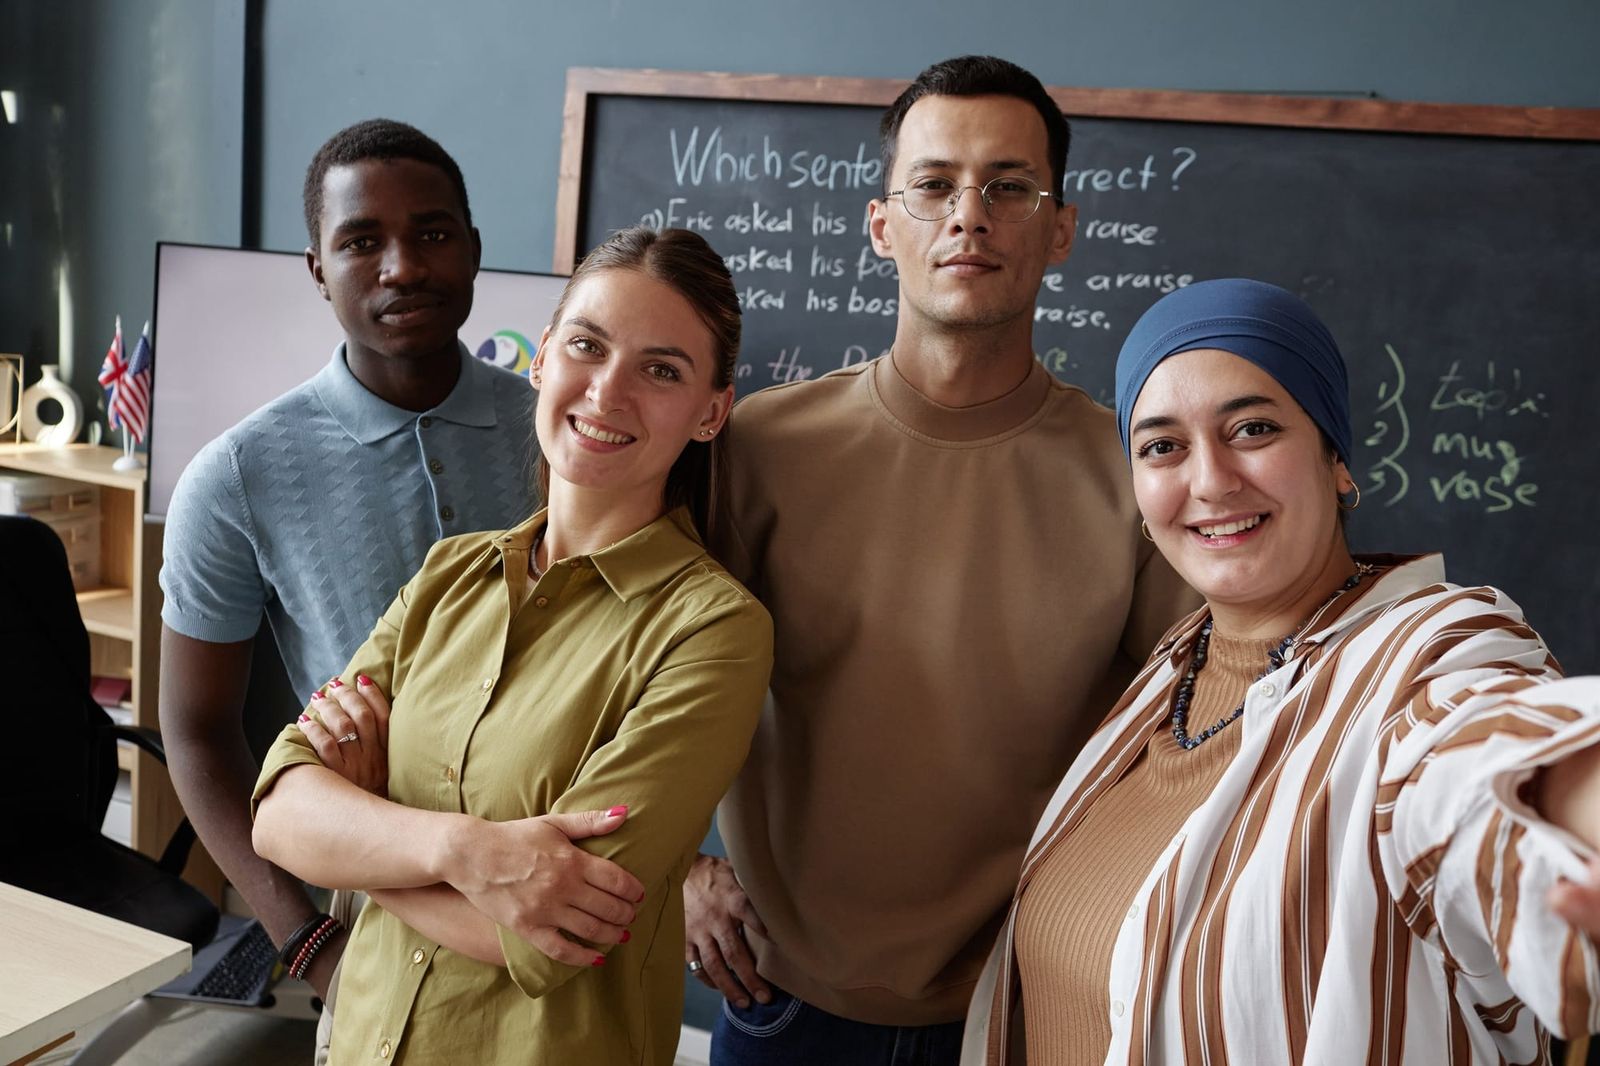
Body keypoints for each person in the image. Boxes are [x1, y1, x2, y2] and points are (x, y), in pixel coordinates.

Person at [688, 56, 1197, 1065]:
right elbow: (635, 675)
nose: (969, 214)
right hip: (783, 1000)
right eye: (934, 185)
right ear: (882, 224)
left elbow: (1189, 743)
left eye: (1009, 186)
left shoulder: (1138, 474)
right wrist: (678, 868)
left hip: (1025, 1009)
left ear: (1059, 230)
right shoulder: (757, 449)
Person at [964, 278, 1600, 1065]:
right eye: (1163, 445)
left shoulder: (1427, 653)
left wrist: (1576, 813)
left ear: (1336, 458)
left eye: (1254, 429)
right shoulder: (1168, 675)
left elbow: (1485, 759)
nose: (1210, 480)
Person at [251, 226, 775, 1065]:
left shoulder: (712, 631)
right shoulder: (448, 574)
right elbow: (278, 818)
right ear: (542, 359)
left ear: (712, 411)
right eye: (587, 345)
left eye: (662, 369)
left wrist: (362, 829)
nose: (607, 391)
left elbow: (549, 934)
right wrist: (469, 852)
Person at [158, 119, 580, 1016]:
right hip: (374, 887)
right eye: (360, 242)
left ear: (472, 247)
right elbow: (195, 729)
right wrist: (304, 939)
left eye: (431, 233)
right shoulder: (237, 475)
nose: (402, 267)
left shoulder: (569, 433)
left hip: (570, 869)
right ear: (316, 268)